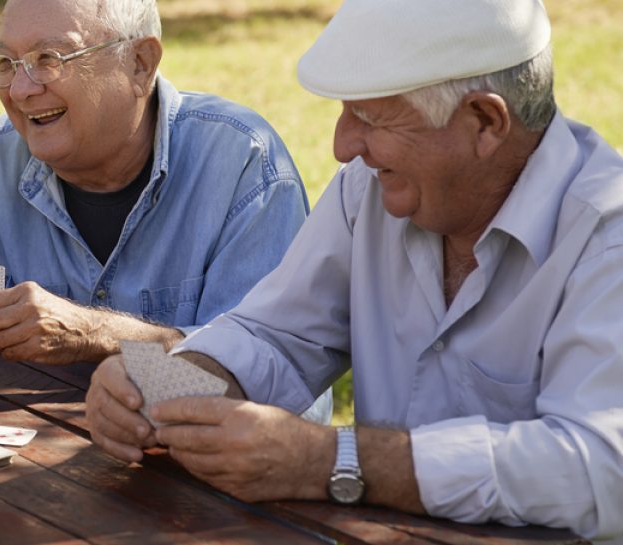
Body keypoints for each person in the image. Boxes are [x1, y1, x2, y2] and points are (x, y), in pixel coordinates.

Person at [86, 0, 623, 540]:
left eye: (369, 118)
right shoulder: (369, 188)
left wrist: (333, 460)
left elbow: (599, 467)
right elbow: (276, 336)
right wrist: (156, 383)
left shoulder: (606, 235)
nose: (343, 147)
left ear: (485, 122)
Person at [0, 0, 331, 421]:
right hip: (36, 486)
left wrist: (98, 336)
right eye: (6, 63)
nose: (21, 89)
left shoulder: (242, 163)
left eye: (49, 57)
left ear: (140, 64)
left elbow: (273, 387)